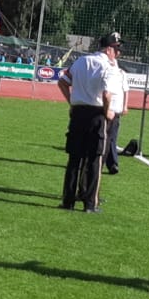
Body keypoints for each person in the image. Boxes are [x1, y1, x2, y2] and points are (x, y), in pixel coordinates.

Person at [57, 45, 110, 213]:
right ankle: (89, 203)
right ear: (108, 49)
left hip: (78, 113)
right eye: (116, 50)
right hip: (96, 113)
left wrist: (72, 102)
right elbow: (107, 94)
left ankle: (68, 201)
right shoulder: (106, 66)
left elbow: (62, 82)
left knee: (74, 159)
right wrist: (107, 111)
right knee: (94, 159)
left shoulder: (80, 61)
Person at [97, 31, 129, 174]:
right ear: (109, 49)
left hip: (114, 109)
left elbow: (124, 90)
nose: (118, 52)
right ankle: (105, 164)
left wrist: (124, 106)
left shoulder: (119, 70)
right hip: (104, 108)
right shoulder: (102, 65)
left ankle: (108, 164)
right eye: (116, 48)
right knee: (104, 140)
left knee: (111, 138)